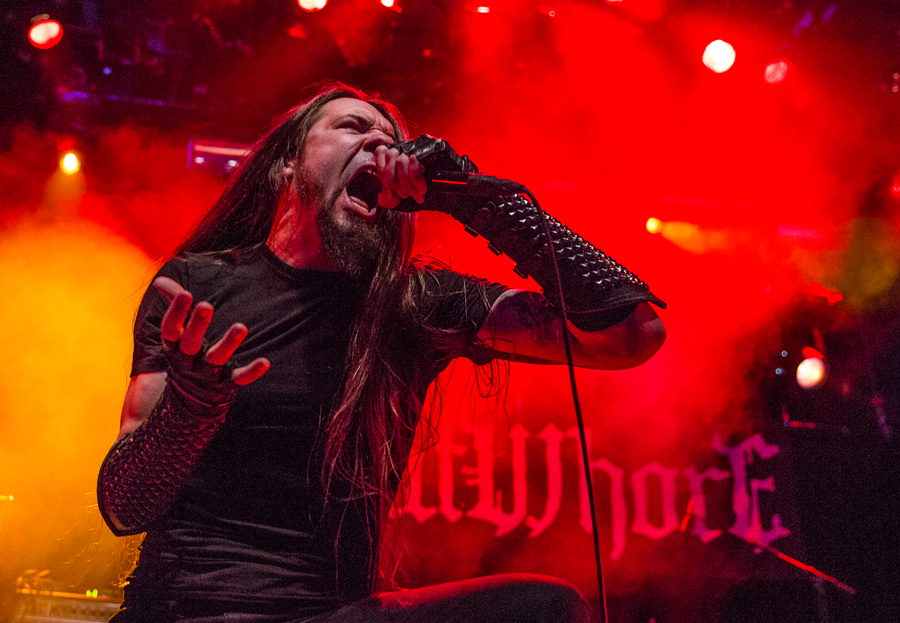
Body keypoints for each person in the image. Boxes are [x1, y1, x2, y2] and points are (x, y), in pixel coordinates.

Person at [97, 83, 666, 623]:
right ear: (288, 162)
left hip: (328, 614)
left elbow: (633, 335)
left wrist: (470, 197)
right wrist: (190, 409)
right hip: (183, 611)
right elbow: (124, 508)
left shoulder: (415, 303)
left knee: (544, 608)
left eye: (390, 139)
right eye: (352, 126)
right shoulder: (199, 286)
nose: (378, 143)